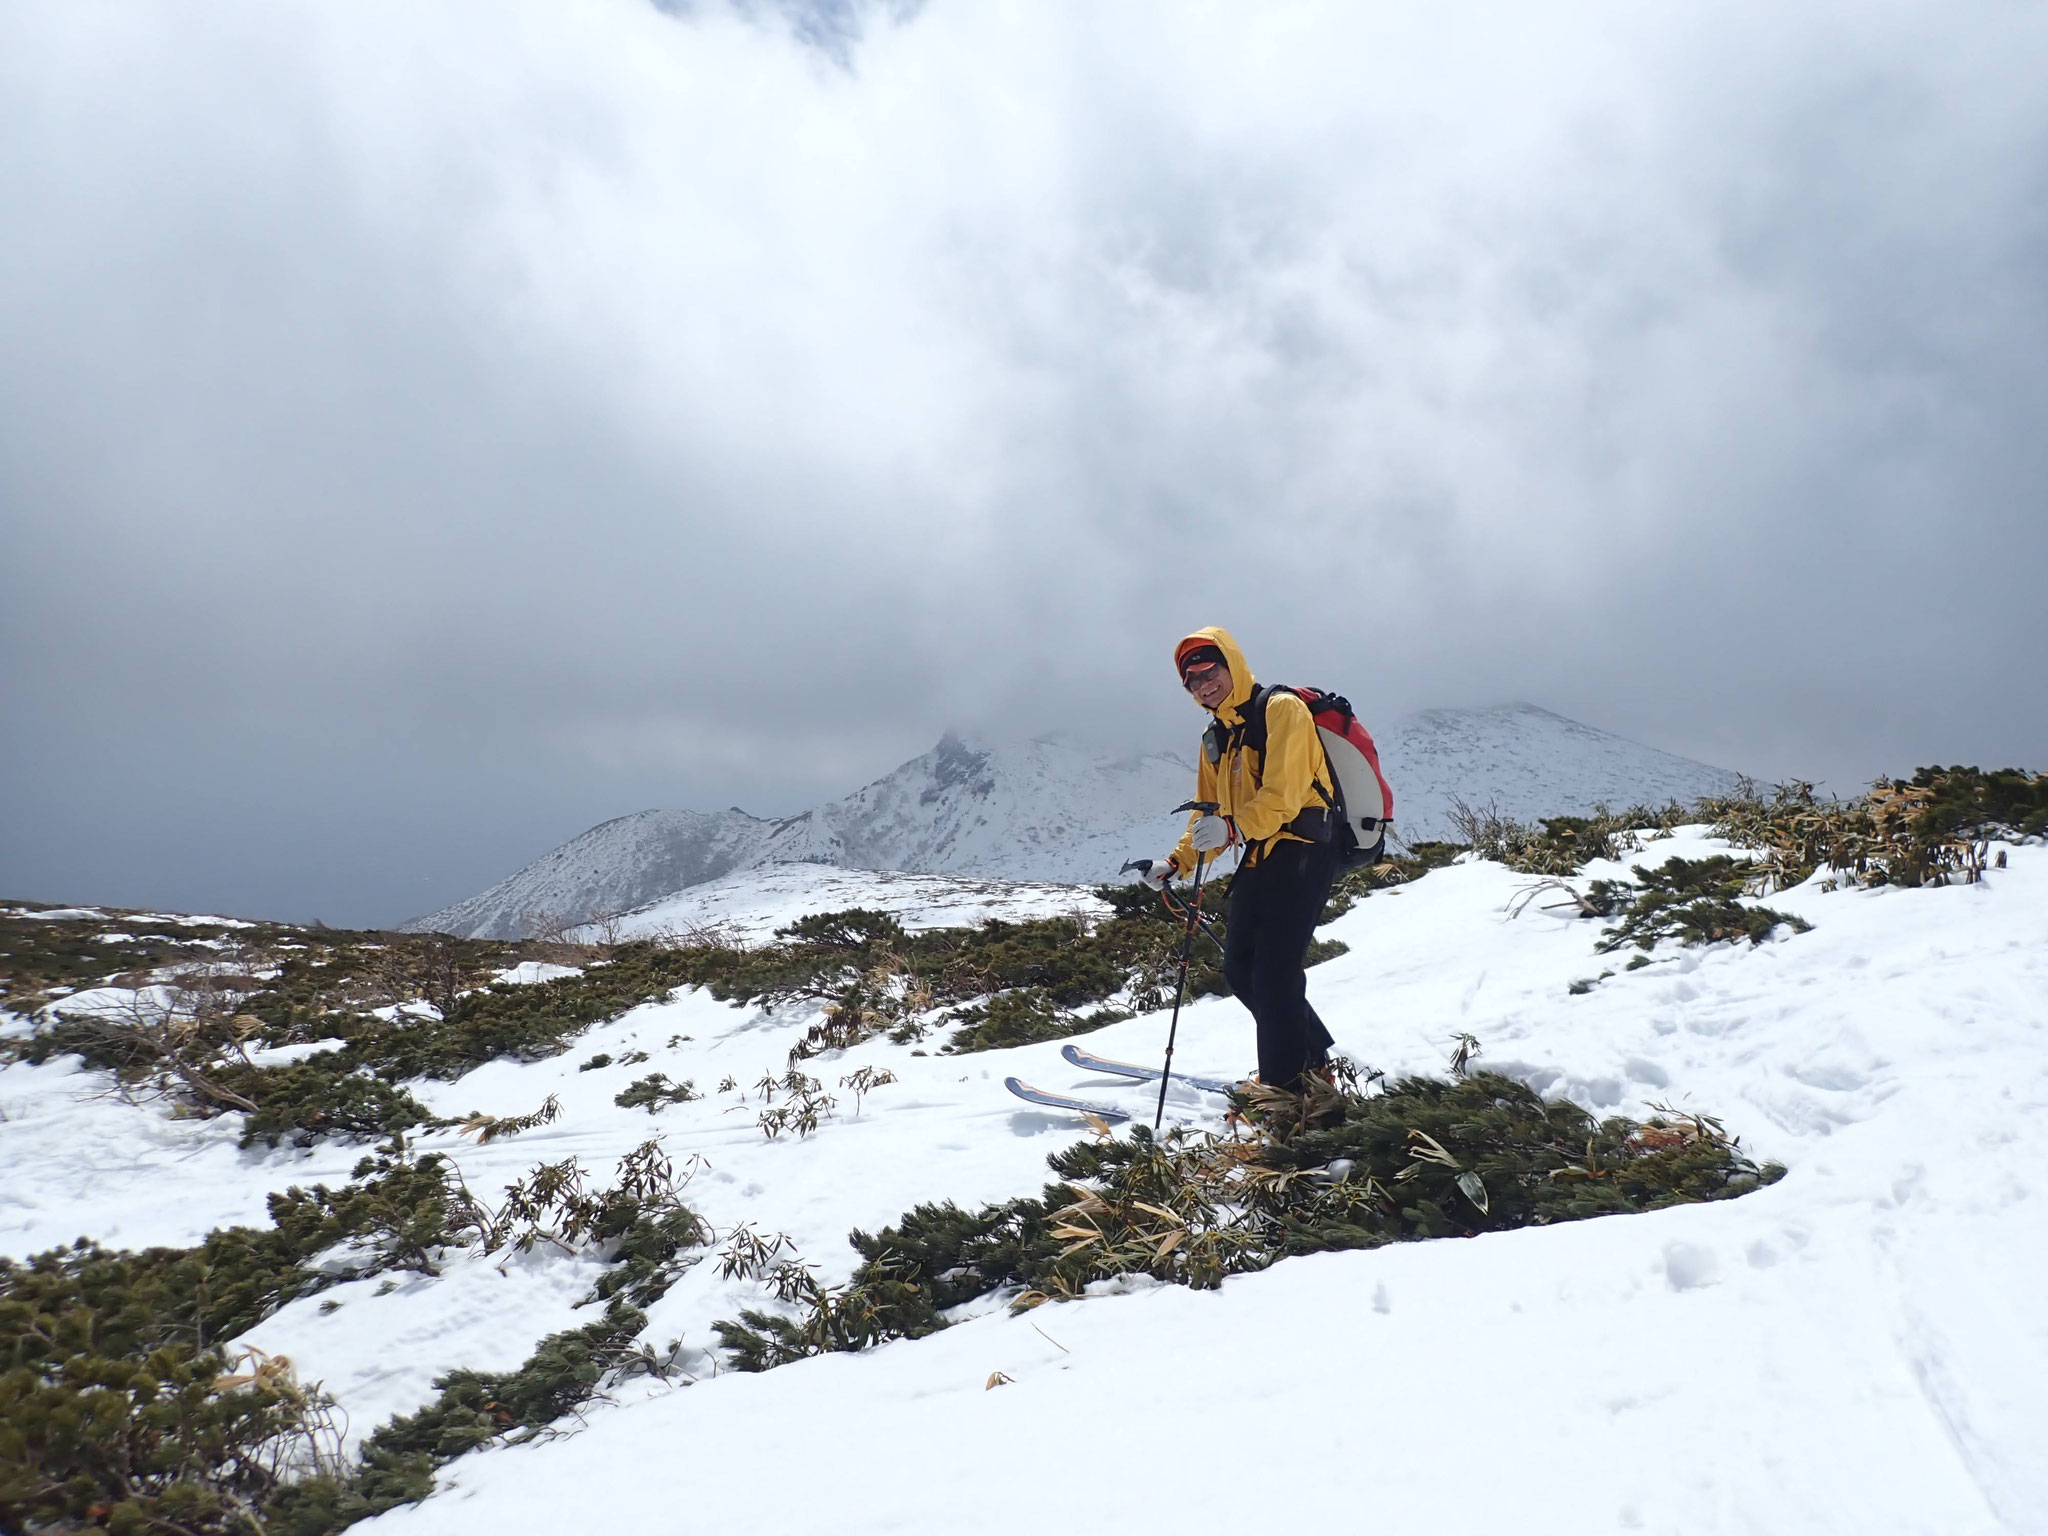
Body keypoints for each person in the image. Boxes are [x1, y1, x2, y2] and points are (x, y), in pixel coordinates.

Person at [1143, 627, 1339, 1093]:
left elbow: (1284, 795)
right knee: (1240, 969)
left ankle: (1285, 1095)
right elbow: (1206, 815)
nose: (1202, 684)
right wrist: (1176, 862)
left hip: (1305, 848)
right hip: (1260, 851)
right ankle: (1313, 1064)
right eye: (1191, 680)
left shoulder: (1281, 709)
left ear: (1231, 663)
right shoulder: (1216, 737)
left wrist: (1233, 829)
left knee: (1273, 974)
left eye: (1209, 671)